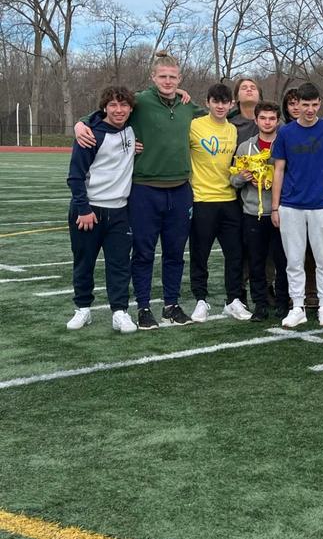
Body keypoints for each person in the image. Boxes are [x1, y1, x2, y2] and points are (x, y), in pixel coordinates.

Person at [74, 51, 203, 329]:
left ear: (180, 79)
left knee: (175, 252)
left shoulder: (186, 104)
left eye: (172, 77)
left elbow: (217, 115)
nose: (168, 81)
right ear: (153, 77)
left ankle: (171, 304)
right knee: (143, 252)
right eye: (163, 76)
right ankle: (143, 307)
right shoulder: (141, 101)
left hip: (180, 190)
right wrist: (81, 122)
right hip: (145, 190)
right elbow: (108, 110)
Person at [271, 83, 323, 328]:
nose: (310, 109)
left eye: (315, 105)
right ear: (296, 105)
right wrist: (275, 207)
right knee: (293, 260)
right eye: (305, 105)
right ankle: (297, 307)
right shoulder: (286, 133)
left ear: (319, 104)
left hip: (320, 205)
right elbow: (279, 170)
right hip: (290, 205)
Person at [65, 86, 139, 335]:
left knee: (119, 264)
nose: (119, 110)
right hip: (89, 211)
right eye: (113, 105)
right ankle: (83, 308)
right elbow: (75, 177)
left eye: (124, 105)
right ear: (104, 107)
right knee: (84, 261)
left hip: (119, 211)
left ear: (130, 108)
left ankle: (119, 311)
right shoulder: (90, 134)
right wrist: (83, 208)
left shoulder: (132, 129)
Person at [188, 83, 251, 323]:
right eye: (216, 101)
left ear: (231, 104)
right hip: (202, 200)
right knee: (200, 254)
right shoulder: (194, 126)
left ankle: (232, 300)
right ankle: (201, 300)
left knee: (234, 254)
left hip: (229, 200)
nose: (220, 106)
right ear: (208, 102)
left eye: (225, 102)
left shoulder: (233, 130)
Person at [231, 100, 289, 322]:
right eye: (263, 118)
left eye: (272, 118)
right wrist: (242, 178)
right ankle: (260, 304)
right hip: (253, 212)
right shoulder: (246, 147)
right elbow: (233, 179)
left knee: (282, 260)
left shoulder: (284, 145)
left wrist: (272, 182)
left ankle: (283, 302)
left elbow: (290, 175)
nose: (267, 122)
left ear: (278, 120)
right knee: (256, 261)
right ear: (256, 120)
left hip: (279, 211)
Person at [228, 76, 261, 142]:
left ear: (259, 96)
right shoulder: (229, 125)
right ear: (237, 97)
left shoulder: (273, 122)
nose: (249, 89)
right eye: (244, 88)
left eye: (253, 88)